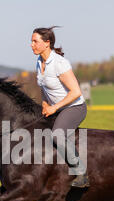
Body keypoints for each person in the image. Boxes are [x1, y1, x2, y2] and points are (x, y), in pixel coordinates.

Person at [31, 26, 90, 188]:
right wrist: (44, 104)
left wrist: (54, 108)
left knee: (57, 135)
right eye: (31, 41)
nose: (32, 44)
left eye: (35, 41)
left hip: (74, 108)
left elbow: (76, 92)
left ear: (47, 43)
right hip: (55, 108)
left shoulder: (59, 63)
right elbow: (43, 87)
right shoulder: (39, 62)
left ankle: (81, 173)